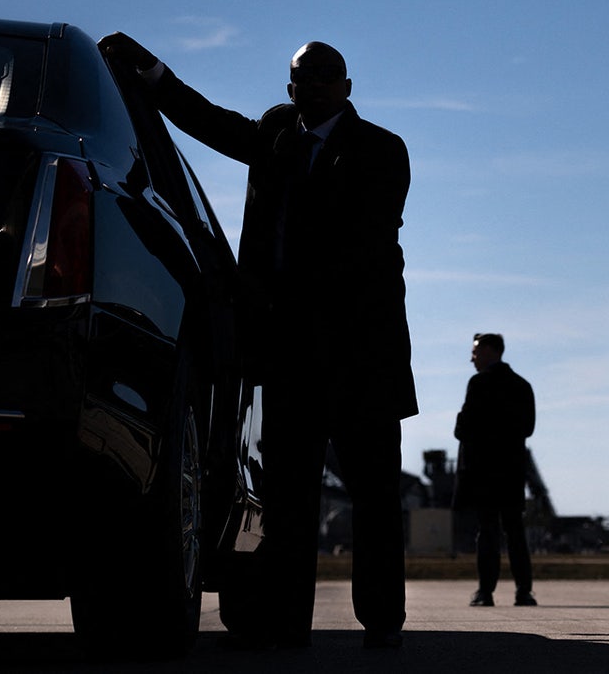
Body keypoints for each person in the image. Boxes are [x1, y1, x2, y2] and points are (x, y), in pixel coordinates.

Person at [98, 34, 417, 648]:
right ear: (290, 86)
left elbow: (362, 243)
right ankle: (288, 621)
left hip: (361, 358)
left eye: (327, 76)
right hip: (289, 356)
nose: (314, 85)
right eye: (302, 76)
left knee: (375, 497)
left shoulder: (382, 150)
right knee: (289, 499)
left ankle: (382, 623)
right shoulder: (277, 133)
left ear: (346, 89)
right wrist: (151, 74)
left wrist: (273, 290)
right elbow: (214, 124)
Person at [452, 334, 537, 608]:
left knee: (488, 530)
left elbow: (462, 429)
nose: (472, 357)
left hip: (484, 471)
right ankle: (524, 591)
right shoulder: (522, 386)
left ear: (489, 351)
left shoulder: (479, 384)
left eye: (476, 351)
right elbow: (528, 428)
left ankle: (485, 591)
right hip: (512, 470)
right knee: (515, 531)